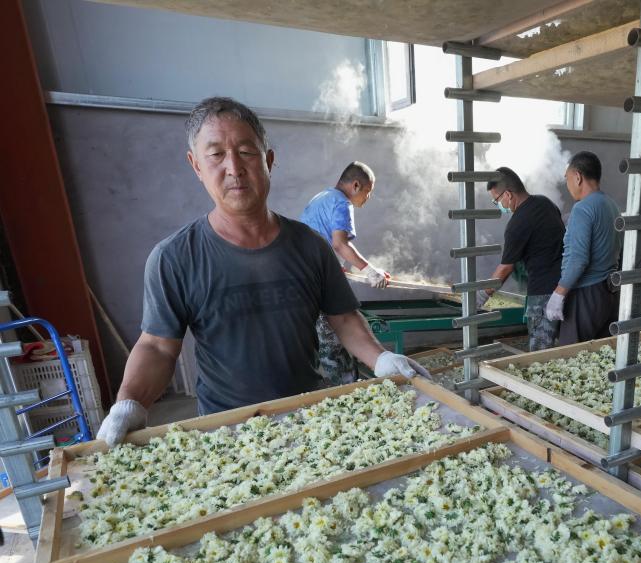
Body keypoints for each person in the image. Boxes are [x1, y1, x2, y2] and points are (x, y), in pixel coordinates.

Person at [96, 97, 427, 446]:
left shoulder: (310, 246)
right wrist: (128, 403)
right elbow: (159, 348)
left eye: (246, 152)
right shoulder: (175, 258)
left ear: (268, 160)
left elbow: (343, 319)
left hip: (309, 420)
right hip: (226, 431)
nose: (234, 168)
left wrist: (382, 359)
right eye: (216, 155)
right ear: (196, 166)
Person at [301, 162, 390, 384]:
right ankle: (347, 394)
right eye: (368, 193)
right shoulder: (342, 203)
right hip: (315, 283)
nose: (367, 199)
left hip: (303, 279)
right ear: (356, 185)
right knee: (336, 346)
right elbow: (340, 244)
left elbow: (325, 245)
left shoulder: (322, 197)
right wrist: (370, 271)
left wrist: (337, 267)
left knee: (323, 345)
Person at [479, 167, 565, 351]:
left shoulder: (517, 223)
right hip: (564, 288)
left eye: (496, 200)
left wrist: (482, 294)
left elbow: (505, 268)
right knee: (562, 347)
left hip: (542, 295)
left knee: (540, 351)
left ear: (508, 194)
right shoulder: (545, 203)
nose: (498, 205)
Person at [545, 151, 622, 345]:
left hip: (585, 295)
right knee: (599, 355)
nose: (568, 184)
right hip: (609, 293)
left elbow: (578, 260)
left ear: (577, 177)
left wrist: (558, 294)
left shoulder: (582, 209)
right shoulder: (611, 205)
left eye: (567, 178)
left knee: (570, 357)